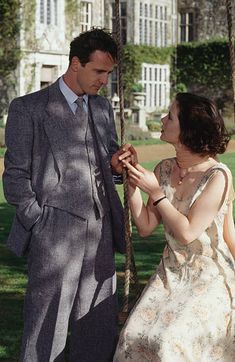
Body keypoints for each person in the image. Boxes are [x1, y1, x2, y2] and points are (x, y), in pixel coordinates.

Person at [3, 28, 128, 362]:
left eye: (108, 73)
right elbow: (14, 176)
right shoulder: (28, 109)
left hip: (100, 232)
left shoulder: (102, 109)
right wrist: (39, 221)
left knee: (98, 329)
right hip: (54, 235)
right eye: (98, 71)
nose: (104, 80)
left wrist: (116, 165)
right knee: (46, 330)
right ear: (76, 64)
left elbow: (107, 162)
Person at [114, 92, 235, 361]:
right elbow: (145, 226)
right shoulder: (164, 169)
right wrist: (133, 180)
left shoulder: (217, 176)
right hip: (170, 271)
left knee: (171, 341)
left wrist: (156, 193)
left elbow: (187, 232)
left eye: (170, 116)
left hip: (208, 274)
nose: (163, 119)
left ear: (188, 130)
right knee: (132, 336)